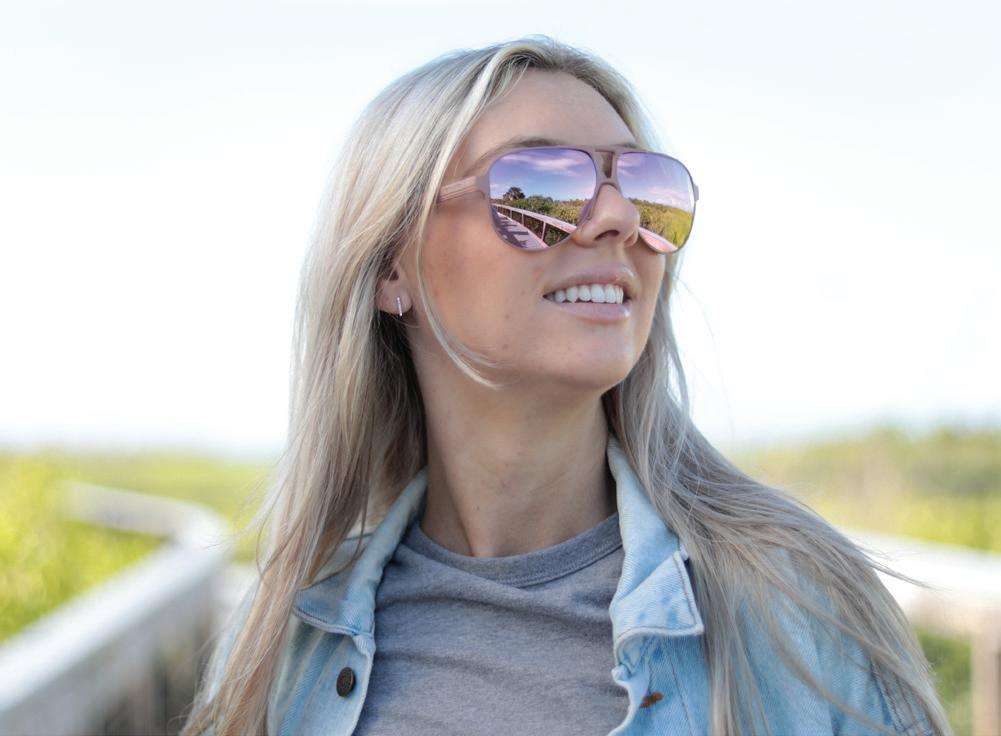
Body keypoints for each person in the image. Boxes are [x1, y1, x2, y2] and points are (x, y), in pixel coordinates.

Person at [180, 35, 949, 736]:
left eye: (644, 188)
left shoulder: (798, 614)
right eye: (537, 185)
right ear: (390, 266)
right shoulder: (283, 640)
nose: (616, 217)